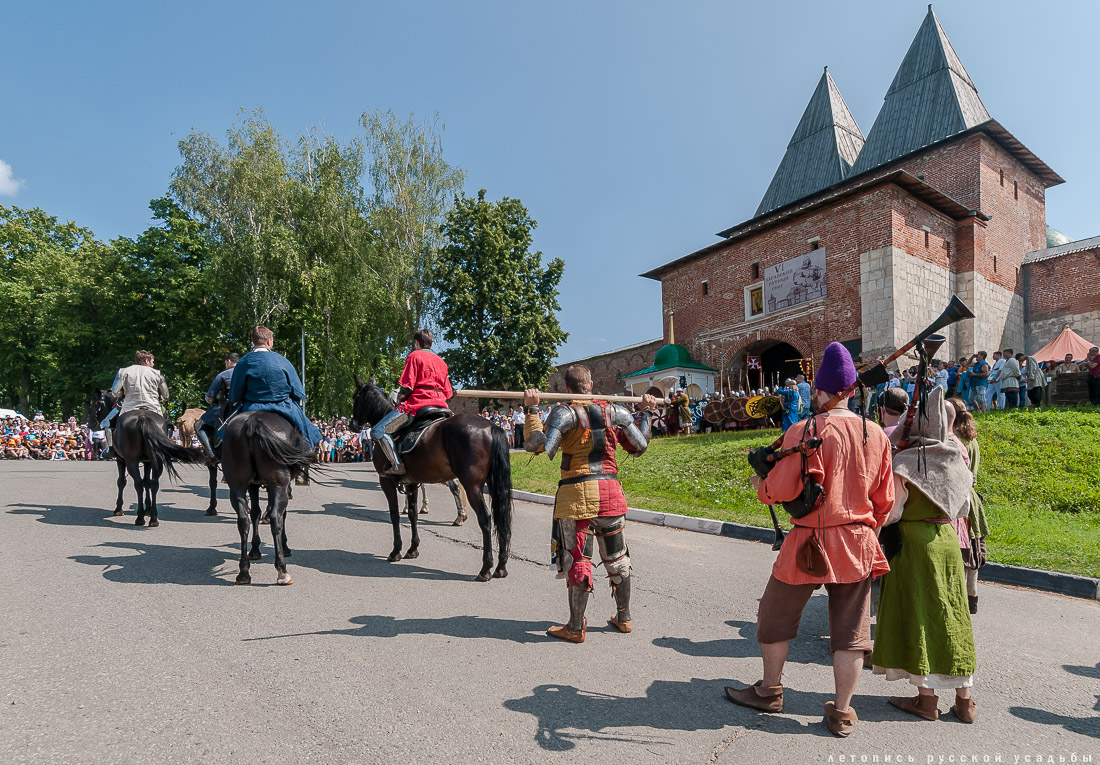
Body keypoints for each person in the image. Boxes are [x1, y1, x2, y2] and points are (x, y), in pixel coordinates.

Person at [725, 342, 894, 738]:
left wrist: (760, 485)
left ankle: (769, 691)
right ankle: (843, 711)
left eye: (816, 389)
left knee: (774, 616)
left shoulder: (805, 429)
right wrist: (868, 531)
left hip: (807, 540)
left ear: (821, 390)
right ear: (851, 390)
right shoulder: (877, 436)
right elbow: (885, 501)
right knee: (851, 633)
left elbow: (780, 488)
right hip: (857, 539)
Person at [522, 365, 656, 644]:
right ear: (591, 384)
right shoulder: (615, 410)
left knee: (579, 559)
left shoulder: (565, 412)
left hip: (578, 498)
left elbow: (537, 446)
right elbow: (640, 445)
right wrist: (647, 412)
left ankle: (574, 626)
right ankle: (624, 617)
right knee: (618, 560)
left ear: (567, 387)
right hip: (610, 495)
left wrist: (532, 409)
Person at [872, 386, 977, 724]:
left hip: (913, 543)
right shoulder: (955, 458)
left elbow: (892, 514)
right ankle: (965, 702)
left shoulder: (904, 461)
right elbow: (963, 508)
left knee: (919, 614)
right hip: (947, 541)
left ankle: (926, 701)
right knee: (953, 616)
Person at [225, 326, 321, 452]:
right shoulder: (283, 361)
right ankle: (306, 452)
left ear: (253, 341)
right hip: (283, 406)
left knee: (227, 432)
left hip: (251, 406)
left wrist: (234, 403)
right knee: (305, 433)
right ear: (269, 341)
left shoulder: (243, 362)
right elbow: (298, 391)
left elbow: (235, 394)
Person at [372, 328, 453, 476]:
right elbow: (448, 392)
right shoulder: (442, 362)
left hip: (417, 405)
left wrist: (399, 395)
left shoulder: (414, 356)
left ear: (417, 343)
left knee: (378, 431)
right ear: (431, 343)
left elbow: (407, 386)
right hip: (441, 406)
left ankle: (397, 465)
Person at [947, 397, 988, 614]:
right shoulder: (972, 439)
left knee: (963, 552)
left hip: (960, 500)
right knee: (972, 552)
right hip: (972, 499)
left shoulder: (953, 441)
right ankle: (971, 599)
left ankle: (960, 604)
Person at [104, 350, 171, 457]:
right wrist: (161, 398)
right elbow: (166, 396)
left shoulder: (123, 371)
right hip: (153, 407)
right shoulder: (157, 374)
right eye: (152, 361)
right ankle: (168, 447)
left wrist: (122, 394)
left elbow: (115, 392)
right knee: (169, 424)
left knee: (107, 423)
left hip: (129, 407)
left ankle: (111, 449)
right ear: (146, 360)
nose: (153, 364)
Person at [196, 353, 239, 460]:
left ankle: (212, 455)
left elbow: (210, 396)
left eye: (225, 362)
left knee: (198, 425)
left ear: (229, 361)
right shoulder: (247, 373)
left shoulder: (223, 375)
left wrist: (213, 400)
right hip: (245, 406)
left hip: (227, 407)